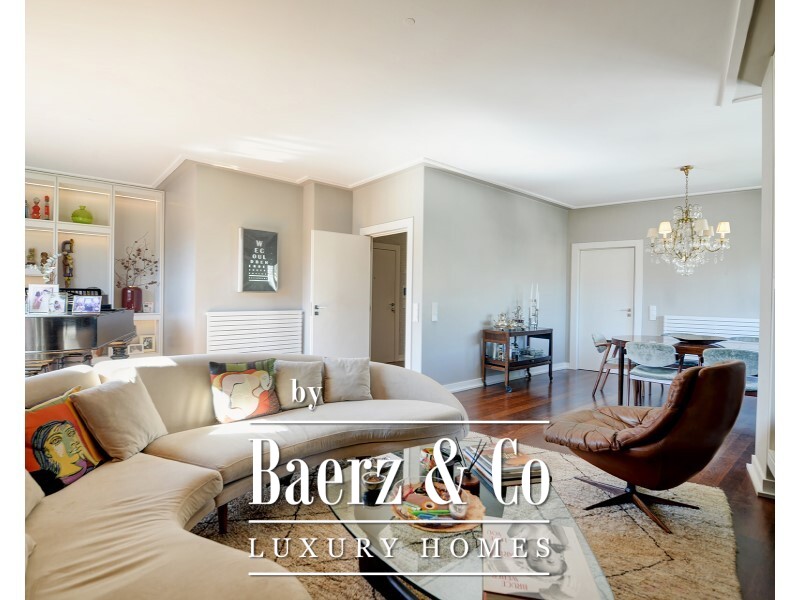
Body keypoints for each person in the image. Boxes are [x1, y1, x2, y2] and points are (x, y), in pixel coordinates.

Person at [30, 420, 99, 494]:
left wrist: (91, 459)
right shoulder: (52, 484)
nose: (71, 442)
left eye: (70, 433)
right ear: (47, 453)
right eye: (57, 440)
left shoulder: (88, 464)